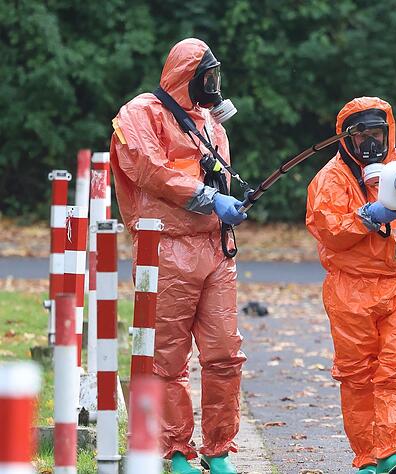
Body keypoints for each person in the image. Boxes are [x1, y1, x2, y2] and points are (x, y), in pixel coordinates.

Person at [110, 38, 247, 474]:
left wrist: (228, 194)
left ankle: (219, 449)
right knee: (166, 357)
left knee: (225, 353)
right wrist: (207, 196)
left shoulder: (210, 123)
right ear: (186, 76)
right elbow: (149, 169)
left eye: (216, 76)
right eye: (207, 77)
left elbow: (215, 173)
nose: (214, 86)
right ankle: (176, 451)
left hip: (214, 247)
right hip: (164, 245)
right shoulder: (139, 114)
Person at [306, 97, 396, 474]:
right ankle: (367, 454)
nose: (371, 144)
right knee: (357, 375)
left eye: (377, 134)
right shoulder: (331, 179)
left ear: (389, 132)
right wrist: (366, 218)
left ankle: (392, 449)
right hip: (351, 287)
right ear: (346, 139)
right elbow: (329, 230)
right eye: (361, 136)